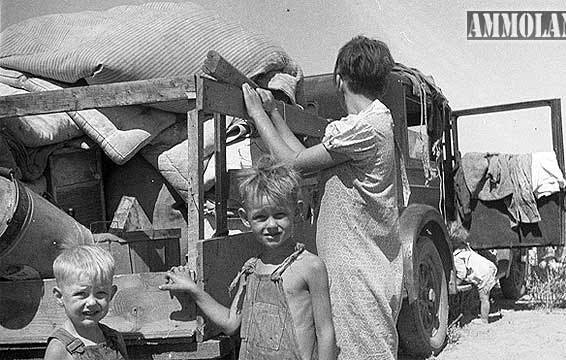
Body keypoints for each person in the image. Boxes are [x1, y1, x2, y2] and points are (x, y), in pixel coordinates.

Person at [242, 35, 403, 359]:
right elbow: (302, 158)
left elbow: (290, 163)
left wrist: (257, 115)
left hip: (355, 271)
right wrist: (274, 113)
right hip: (362, 265)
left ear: (340, 79)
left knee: (362, 350)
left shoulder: (364, 127)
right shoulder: (371, 123)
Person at [159, 157, 337, 360]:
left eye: (280, 215)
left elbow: (326, 333)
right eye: (261, 217)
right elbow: (230, 323)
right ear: (245, 218)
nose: (271, 225)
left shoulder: (310, 267)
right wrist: (193, 289)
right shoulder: (251, 270)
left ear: (296, 212)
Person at [45, 245, 128, 360]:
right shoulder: (59, 348)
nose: (92, 302)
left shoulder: (114, 338)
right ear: (60, 296)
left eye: (101, 293)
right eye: (81, 294)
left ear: (111, 294)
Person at [449, 222, 498, 324]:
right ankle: (483, 314)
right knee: (485, 296)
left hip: (484, 274)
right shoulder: (466, 247)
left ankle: (484, 320)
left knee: (484, 298)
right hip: (488, 267)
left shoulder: (457, 257)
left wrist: (456, 283)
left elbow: (462, 273)